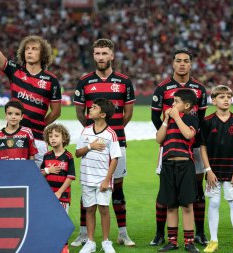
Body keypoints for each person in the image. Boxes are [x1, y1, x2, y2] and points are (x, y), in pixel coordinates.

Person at [0, 3, 61, 167]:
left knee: (37, 184)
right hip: (13, 138)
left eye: (34, 49)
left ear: (43, 53)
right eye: (27, 49)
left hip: (38, 139)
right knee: (12, 183)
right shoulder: (15, 71)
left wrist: (40, 124)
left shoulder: (51, 80)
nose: (29, 51)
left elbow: (57, 111)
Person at [73, 38, 135, 247]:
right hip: (91, 145)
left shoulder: (125, 82)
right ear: (93, 56)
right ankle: (83, 234)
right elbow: (80, 113)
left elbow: (127, 114)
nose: (101, 57)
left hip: (116, 142)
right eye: (97, 53)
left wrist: (111, 131)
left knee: (117, 188)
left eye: (104, 53)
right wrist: (93, 133)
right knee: (88, 188)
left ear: (112, 55)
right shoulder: (84, 82)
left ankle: (123, 233)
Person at [151, 49, 208, 247]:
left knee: (193, 193)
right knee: (168, 196)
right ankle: (162, 234)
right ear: (173, 63)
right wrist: (167, 133)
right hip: (169, 148)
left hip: (192, 147)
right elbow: (154, 117)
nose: (182, 64)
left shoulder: (200, 88)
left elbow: (200, 119)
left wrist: (190, 137)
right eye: (178, 61)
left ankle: (197, 234)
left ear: (191, 64)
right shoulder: (162, 88)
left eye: (186, 61)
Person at [200, 85, 233, 253]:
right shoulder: (207, 121)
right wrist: (208, 170)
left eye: (229, 97)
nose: (227, 99)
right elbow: (203, 147)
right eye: (222, 97)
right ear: (213, 100)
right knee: (213, 203)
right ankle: (213, 241)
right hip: (213, 171)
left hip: (232, 170)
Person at [155, 89, 199, 253]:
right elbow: (159, 139)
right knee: (171, 204)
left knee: (187, 205)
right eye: (172, 101)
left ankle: (189, 242)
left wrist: (176, 117)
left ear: (186, 105)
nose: (172, 104)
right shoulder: (169, 119)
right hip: (168, 165)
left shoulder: (191, 118)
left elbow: (188, 135)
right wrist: (166, 119)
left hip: (185, 165)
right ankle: (172, 241)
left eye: (176, 101)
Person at [75, 98, 121, 253]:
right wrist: (90, 146)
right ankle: (90, 242)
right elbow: (77, 153)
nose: (90, 108)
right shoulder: (85, 131)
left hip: (103, 179)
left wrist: (107, 180)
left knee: (104, 209)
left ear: (102, 114)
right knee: (89, 209)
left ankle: (106, 242)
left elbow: (115, 158)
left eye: (94, 107)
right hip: (87, 178)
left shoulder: (111, 134)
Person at [41, 123, 75, 253]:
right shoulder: (47, 156)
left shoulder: (68, 156)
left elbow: (71, 176)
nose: (53, 138)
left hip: (63, 196)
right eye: (50, 136)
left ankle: (64, 246)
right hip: (48, 196)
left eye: (56, 136)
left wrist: (60, 192)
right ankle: (51, 244)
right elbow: (40, 173)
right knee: (49, 220)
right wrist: (48, 170)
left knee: (61, 222)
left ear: (64, 138)